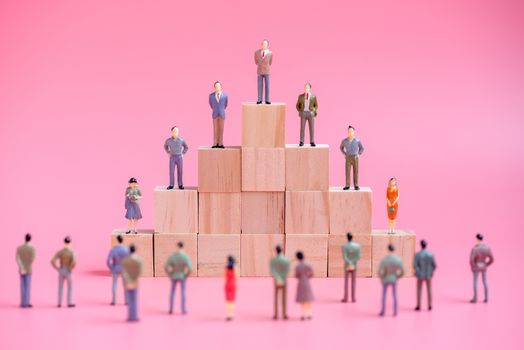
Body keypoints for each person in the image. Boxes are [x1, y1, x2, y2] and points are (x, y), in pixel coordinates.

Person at [164, 241, 193, 315]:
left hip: (174, 275)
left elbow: (166, 267)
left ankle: (171, 308)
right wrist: (186, 275)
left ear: (177, 246)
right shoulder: (185, 256)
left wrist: (170, 274)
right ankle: (183, 309)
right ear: (183, 247)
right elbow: (190, 268)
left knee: (172, 292)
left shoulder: (173, 256)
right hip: (182, 275)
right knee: (183, 292)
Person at [378, 244, 404, 316]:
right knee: (394, 295)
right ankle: (395, 311)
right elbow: (402, 272)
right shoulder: (398, 259)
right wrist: (397, 277)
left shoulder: (385, 259)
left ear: (388, 249)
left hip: (386, 278)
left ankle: (383, 311)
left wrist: (382, 278)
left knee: (384, 295)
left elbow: (380, 271)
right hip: (393, 278)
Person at [51, 236, 76, 308]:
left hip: (61, 269)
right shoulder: (72, 252)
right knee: (70, 287)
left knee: (60, 287)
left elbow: (52, 261)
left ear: (64, 242)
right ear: (70, 243)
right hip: (68, 270)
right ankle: (69, 302)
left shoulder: (60, 252)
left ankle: (59, 303)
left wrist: (57, 268)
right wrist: (71, 268)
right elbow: (74, 261)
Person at [470, 233, 494, 303]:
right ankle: (486, 298)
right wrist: (486, 264)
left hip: (477, 267)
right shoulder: (487, 248)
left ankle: (475, 299)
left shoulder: (475, 249)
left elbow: (471, 260)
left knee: (475, 283)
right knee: (485, 282)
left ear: (477, 239)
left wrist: (473, 267)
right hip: (483, 266)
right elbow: (492, 259)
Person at [106, 234, 130, 305]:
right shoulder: (126, 250)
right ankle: (126, 301)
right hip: (124, 268)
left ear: (117, 240)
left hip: (116, 268)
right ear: (122, 240)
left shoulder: (114, 250)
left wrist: (111, 268)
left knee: (114, 284)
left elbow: (108, 261)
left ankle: (114, 300)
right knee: (125, 285)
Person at [414, 240, 436, 311]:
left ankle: (418, 305)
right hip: (428, 274)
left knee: (419, 290)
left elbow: (415, 265)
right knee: (429, 290)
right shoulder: (430, 254)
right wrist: (431, 272)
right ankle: (429, 305)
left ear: (421, 245)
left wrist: (418, 272)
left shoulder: (418, 255)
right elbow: (434, 265)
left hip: (420, 275)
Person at [340, 125, 364, 191]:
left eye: (351, 131)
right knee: (347, 171)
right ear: (347, 132)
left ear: (354, 132)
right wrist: (344, 154)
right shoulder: (344, 141)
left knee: (355, 171)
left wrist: (358, 154)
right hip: (348, 157)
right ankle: (347, 185)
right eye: (349, 131)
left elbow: (362, 148)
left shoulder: (357, 140)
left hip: (355, 157)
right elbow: (341, 148)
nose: (350, 132)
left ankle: (356, 185)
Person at [164, 126, 189, 190]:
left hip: (179, 157)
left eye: (177, 131)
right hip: (172, 157)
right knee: (171, 171)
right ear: (171, 132)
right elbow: (165, 146)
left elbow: (186, 147)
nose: (176, 132)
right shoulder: (168, 141)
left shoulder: (181, 140)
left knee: (180, 171)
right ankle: (171, 184)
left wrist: (183, 153)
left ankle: (180, 184)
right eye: (174, 131)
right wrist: (168, 152)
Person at [122, 244, 142, 322]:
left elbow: (124, 272)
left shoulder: (125, 260)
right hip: (135, 281)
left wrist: (128, 279)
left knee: (130, 300)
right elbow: (139, 271)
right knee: (135, 300)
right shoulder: (138, 260)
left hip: (128, 281)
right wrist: (135, 278)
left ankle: (130, 316)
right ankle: (134, 316)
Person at [270, 245, 290, 320]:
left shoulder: (273, 260)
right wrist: (282, 277)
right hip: (284, 279)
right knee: (284, 298)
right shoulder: (286, 259)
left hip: (276, 280)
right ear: (281, 250)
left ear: (276, 251)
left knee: (276, 297)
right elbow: (287, 270)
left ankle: (276, 314)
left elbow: (273, 270)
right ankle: (284, 314)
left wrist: (278, 278)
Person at [16, 233, 35, 308]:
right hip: (28, 268)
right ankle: (26, 302)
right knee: (27, 286)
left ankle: (22, 302)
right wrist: (27, 264)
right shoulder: (32, 248)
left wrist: (21, 266)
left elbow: (17, 258)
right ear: (30, 239)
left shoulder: (19, 248)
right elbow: (32, 258)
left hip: (22, 269)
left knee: (22, 286)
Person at [295, 83, 318, 147]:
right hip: (303, 113)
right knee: (302, 128)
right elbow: (297, 105)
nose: (306, 89)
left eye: (307, 88)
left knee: (312, 128)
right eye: (305, 88)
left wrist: (313, 111)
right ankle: (301, 141)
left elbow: (316, 105)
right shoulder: (301, 96)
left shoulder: (313, 96)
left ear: (310, 88)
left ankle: (312, 141)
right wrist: (301, 111)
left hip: (310, 113)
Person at [341, 232, 360, 303]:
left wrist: (349, 262)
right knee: (353, 282)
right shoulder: (357, 246)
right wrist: (352, 262)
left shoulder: (344, 246)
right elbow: (358, 256)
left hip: (347, 265)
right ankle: (353, 298)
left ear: (347, 237)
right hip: (354, 265)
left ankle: (346, 298)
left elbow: (344, 257)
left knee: (346, 282)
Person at [295, 251, 314, 320]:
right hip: (307, 281)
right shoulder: (308, 264)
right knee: (308, 299)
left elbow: (296, 275)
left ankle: (303, 314)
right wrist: (309, 276)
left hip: (301, 282)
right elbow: (312, 272)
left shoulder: (298, 266)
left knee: (302, 300)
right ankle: (309, 314)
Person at [209, 81, 228, 148]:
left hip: (222, 114)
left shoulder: (225, 95)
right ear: (214, 87)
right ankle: (215, 143)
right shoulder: (211, 96)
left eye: (218, 86)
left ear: (220, 87)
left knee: (221, 129)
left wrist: (221, 109)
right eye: (216, 86)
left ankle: (220, 143)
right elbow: (211, 104)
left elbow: (225, 105)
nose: (217, 87)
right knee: (215, 129)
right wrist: (215, 109)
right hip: (215, 114)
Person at [254, 39, 272, 104]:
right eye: (263, 44)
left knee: (267, 85)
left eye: (265, 44)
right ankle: (259, 99)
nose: (264, 45)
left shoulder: (270, 53)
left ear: (267, 45)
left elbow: (270, 62)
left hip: (267, 71)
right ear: (261, 45)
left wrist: (266, 66)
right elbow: (256, 61)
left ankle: (267, 99)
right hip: (259, 70)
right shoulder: (256, 52)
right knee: (259, 85)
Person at [224, 255, 238, 321]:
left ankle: (228, 314)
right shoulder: (235, 269)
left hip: (227, 284)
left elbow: (225, 277)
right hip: (233, 284)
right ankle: (231, 314)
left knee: (228, 300)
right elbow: (236, 278)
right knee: (232, 300)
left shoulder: (226, 268)